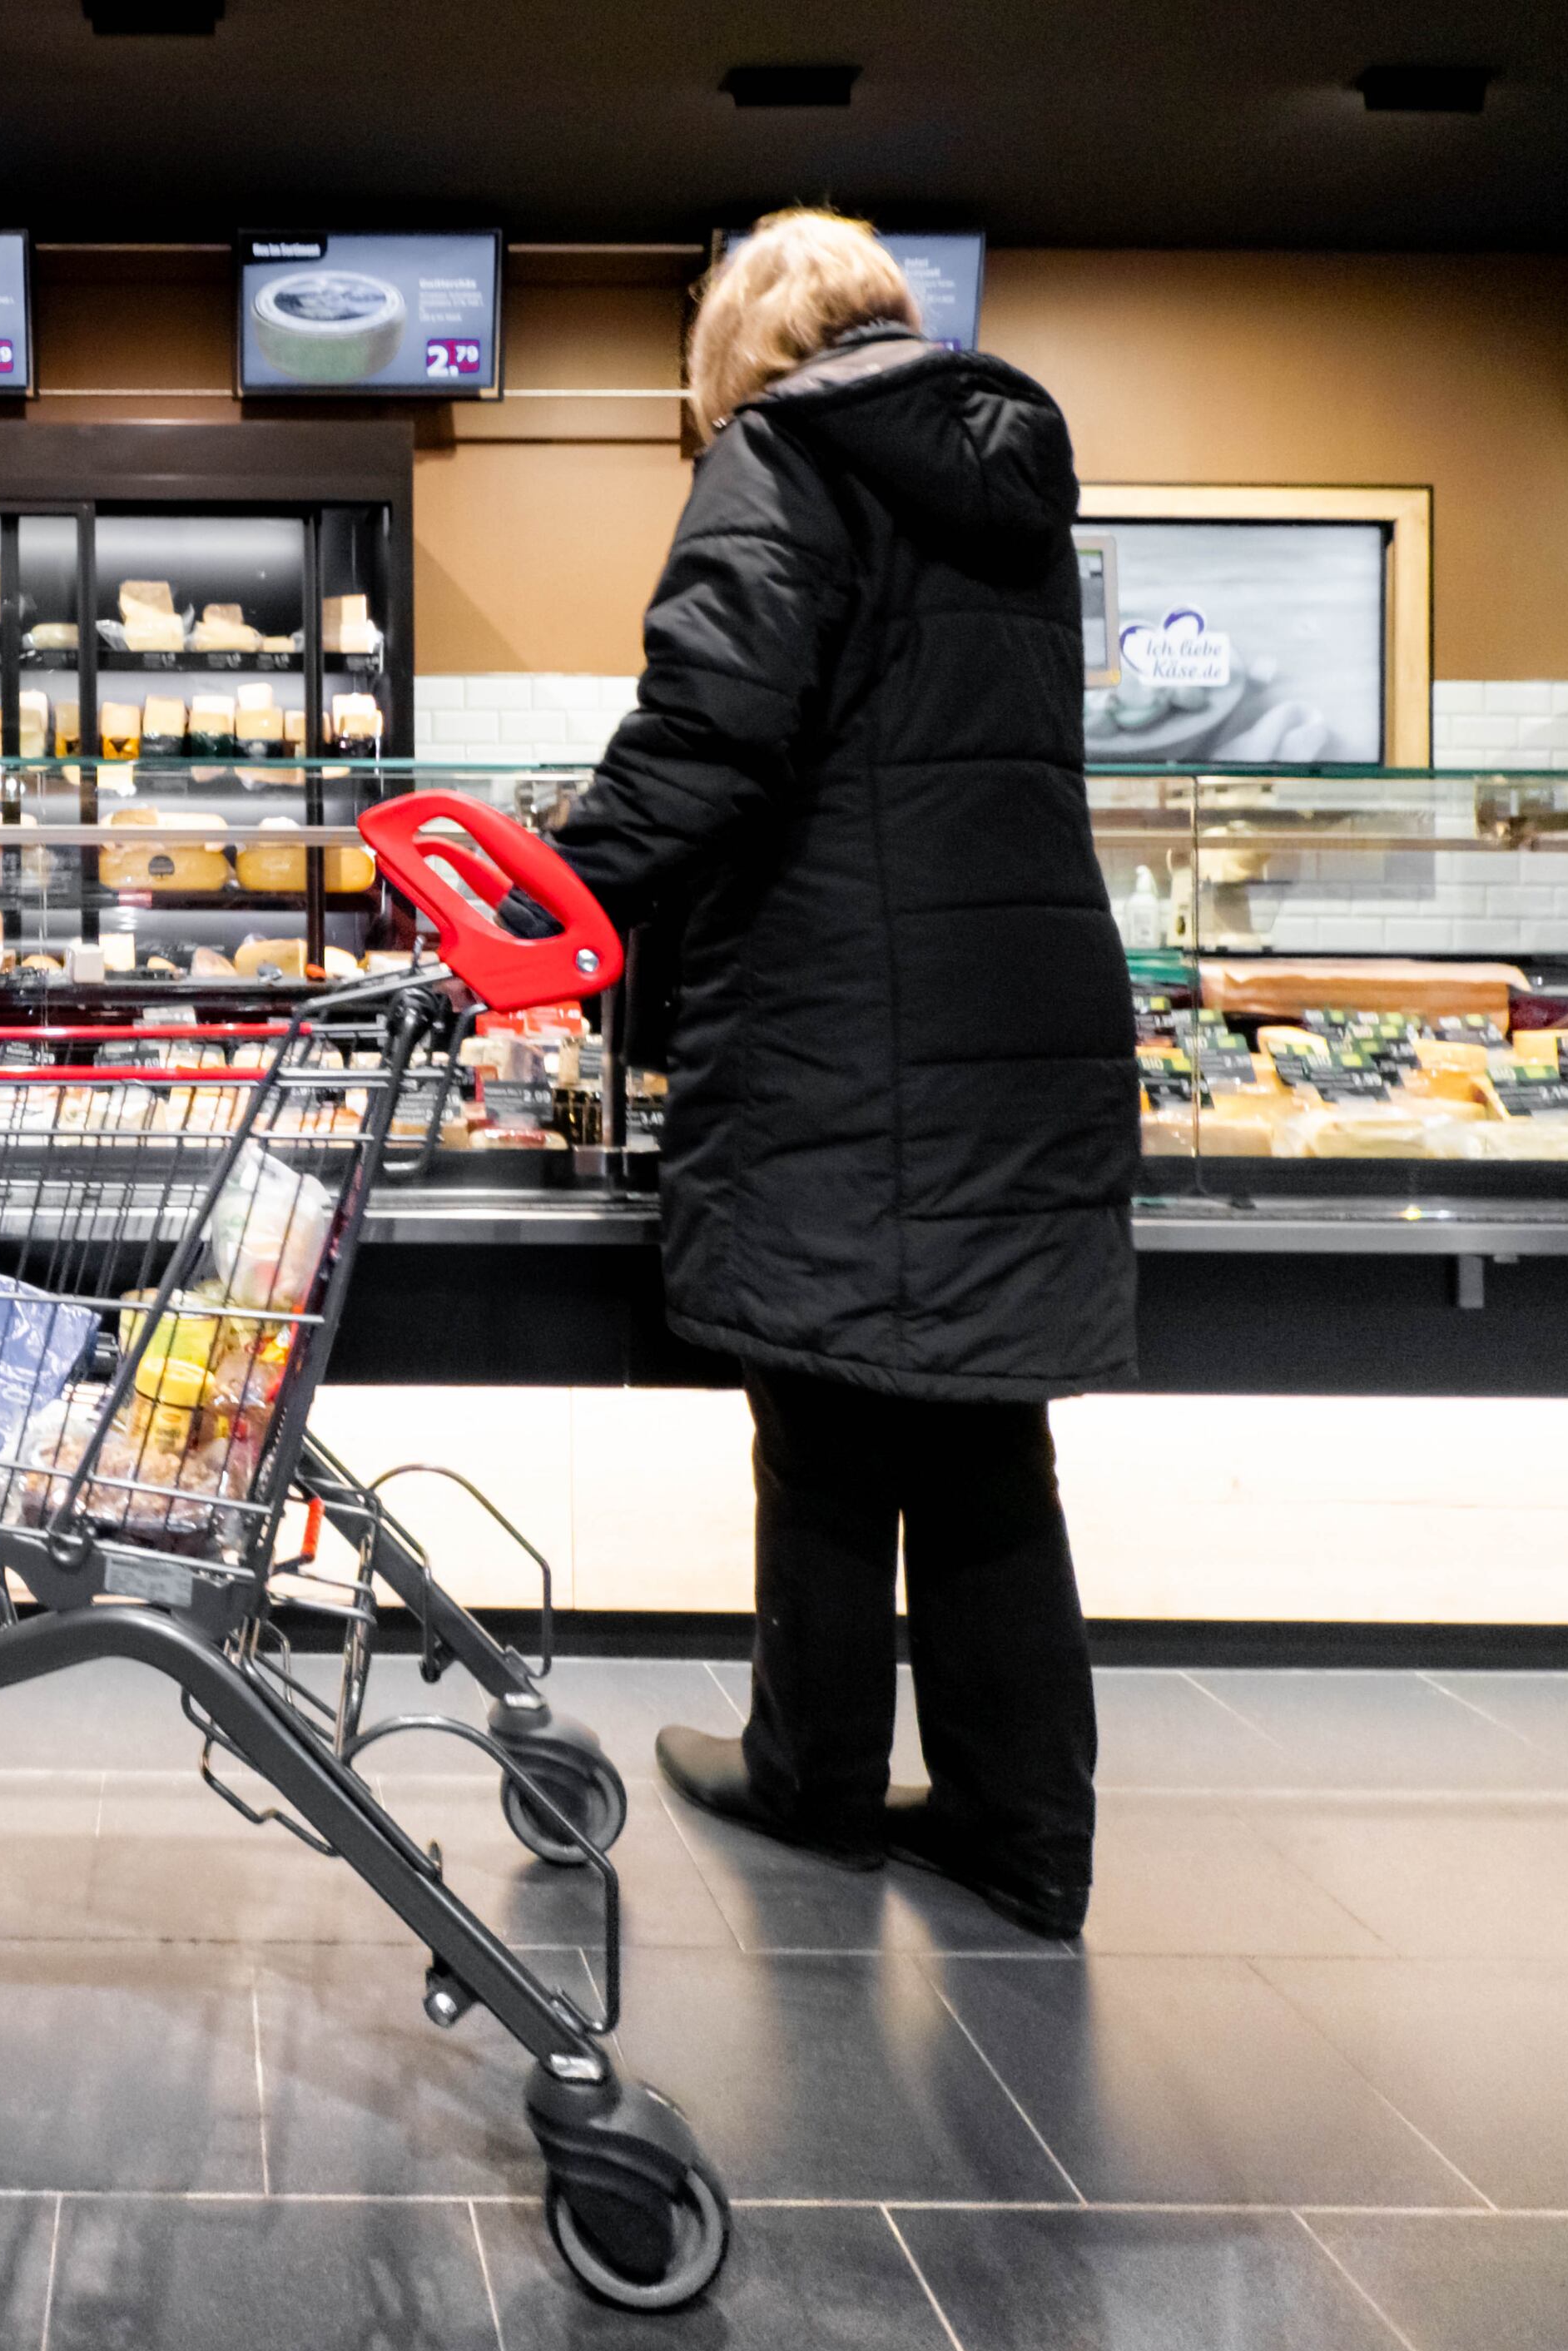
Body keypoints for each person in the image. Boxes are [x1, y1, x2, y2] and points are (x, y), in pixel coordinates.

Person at [551, 211, 1134, 1942]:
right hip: (1016, 1019)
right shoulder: (1013, 482)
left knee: (819, 1409)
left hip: (841, 1013)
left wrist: (552, 904)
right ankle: (1025, 1835)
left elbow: (712, 730)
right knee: (979, 1440)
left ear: (737, 350)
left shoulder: (777, 454)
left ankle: (810, 1777)